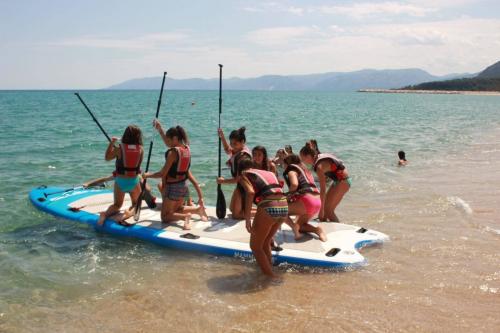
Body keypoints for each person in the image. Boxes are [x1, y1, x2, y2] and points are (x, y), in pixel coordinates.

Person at [144, 122, 208, 230]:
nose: (167, 143)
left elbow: (162, 173)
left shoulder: (172, 153)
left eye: (169, 140)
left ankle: (185, 217)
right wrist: (160, 130)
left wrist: (147, 175)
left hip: (173, 188)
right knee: (178, 209)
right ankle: (197, 210)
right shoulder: (186, 148)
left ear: (175, 138)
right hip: (183, 186)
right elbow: (168, 143)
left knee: (165, 217)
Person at [238, 159, 288, 279]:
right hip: (284, 207)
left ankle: (271, 277)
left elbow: (250, 193)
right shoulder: (267, 173)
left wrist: (247, 218)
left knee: (255, 246)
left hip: (269, 207)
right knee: (265, 242)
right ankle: (269, 267)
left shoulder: (243, 174)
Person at [97, 125, 144, 226]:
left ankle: (104, 215)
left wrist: (111, 143)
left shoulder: (119, 148)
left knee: (117, 205)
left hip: (120, 181)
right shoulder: (141, 149)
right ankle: (127, 215)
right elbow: (138, 166)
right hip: (134, 181)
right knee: (137, 204)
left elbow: (107, 158)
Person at [300, 140, 350, 222]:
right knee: (326, 211)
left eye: (303, 158)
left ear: (309, 156)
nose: (302, 161)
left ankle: (337, 229)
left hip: (342, 182)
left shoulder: (319, 167)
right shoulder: (319, 156)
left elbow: (323, 190)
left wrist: (320, 211)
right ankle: (326, 225)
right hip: (340, 181)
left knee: (328, 211)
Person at [283, 154, 326, 241]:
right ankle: (317, 230)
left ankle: (294, 227)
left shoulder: (291, 170)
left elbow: (294, 185)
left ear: (288, 164)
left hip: (307, 201)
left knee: (279, 210)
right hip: (317, 202)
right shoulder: (306, 171)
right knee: (301, 226)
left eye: (284, 164)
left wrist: (286, 197)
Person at [217, 127, 252, 219]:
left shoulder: (243, 158)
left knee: (236, 215)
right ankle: (257, 210)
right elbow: (227, 149)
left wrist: (223, 181)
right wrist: (222, 136)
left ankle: (263, 213)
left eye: (235, 144)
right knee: (232, 209)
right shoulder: (238, 150)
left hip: (246, 187)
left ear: (242, 142)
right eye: (231, 143)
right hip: (240, 185)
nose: (232, 146)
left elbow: (238, 178)